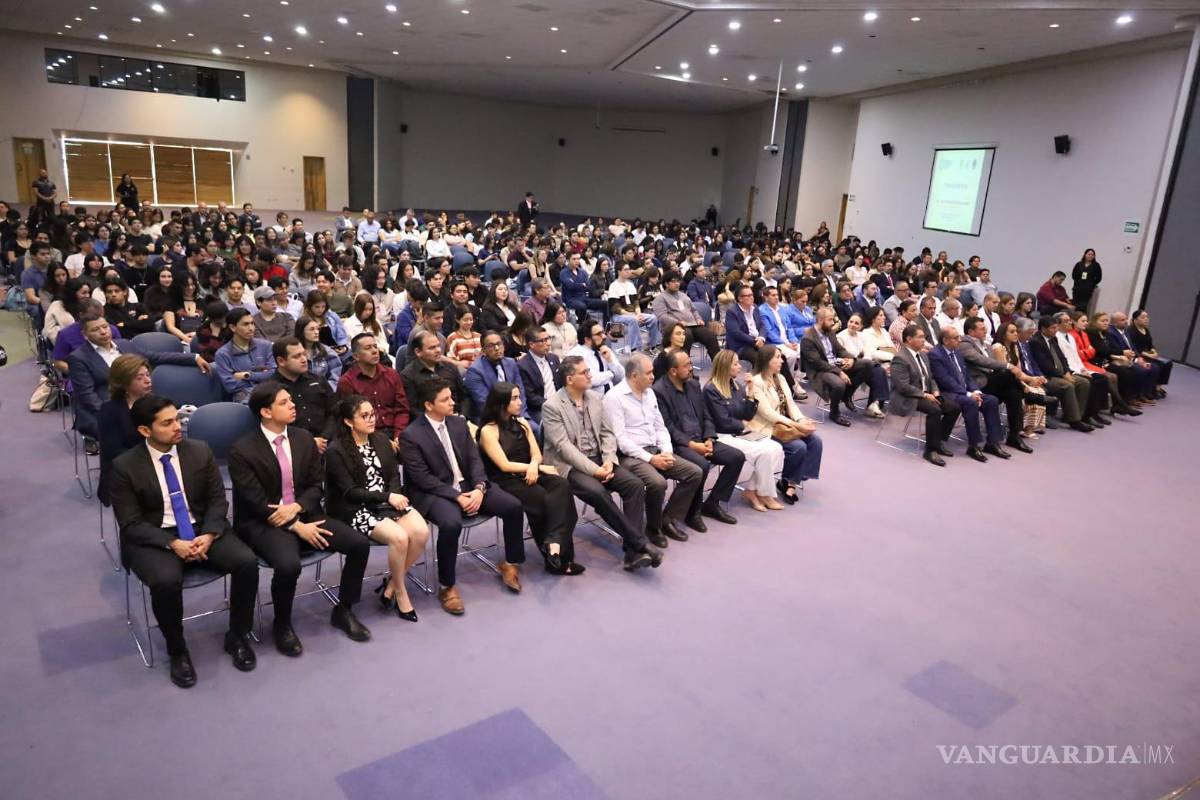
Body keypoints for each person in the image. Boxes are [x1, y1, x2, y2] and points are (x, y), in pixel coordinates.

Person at [110, 395, 260, 688]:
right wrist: (172, 543)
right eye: (167, 423)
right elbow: (131, 523)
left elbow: (218, 500)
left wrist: (209, 533)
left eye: (177, 419)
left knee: (246, 563)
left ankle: (237, 635)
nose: (178, 426)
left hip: (202, 529)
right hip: (156, 538)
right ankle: (177, 649)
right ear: (144, 431)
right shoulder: (124, 467)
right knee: (165, 582)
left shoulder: (199, 451)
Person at [227, 383, 370, 656]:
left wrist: (298, 509)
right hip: (264, 522)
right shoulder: (242, 450)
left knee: (358, 544)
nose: (293, 405)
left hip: (304, 513)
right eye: (284, 402)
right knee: (288, 564)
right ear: (266, 412)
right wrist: (296, 526)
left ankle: (344, 609)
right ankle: (282, 624)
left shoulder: (304, 437)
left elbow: (317, 485)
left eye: (291, 400)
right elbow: (254, 502)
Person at [399, 379, 527, 615]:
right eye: (445, 399)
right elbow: (422, 478)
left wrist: (479, 488)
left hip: (470, 486)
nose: (452, 402)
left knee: (513, 506)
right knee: (450, 524)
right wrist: (457, 497)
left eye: (451, 397)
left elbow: (475, 461)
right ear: (429, 405)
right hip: (436, 492)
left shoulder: (458, 423)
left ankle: (510, 562)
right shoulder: (411, 435)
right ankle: (447, 586)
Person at [541, 356, 663, 570]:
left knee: (634, 486)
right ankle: (640, 543)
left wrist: (608, 460)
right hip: (570, 466)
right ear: (570, 379)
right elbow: (564, 448)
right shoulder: (552, 406)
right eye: (585, 372)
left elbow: (607, 434)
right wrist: (596, 470)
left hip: (600, 459)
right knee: (598, 493)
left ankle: (633, 553)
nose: (590, 375)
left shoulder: (596, 398)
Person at [325, 395, 430, 622]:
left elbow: (393, 475)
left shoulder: (380, 439)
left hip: (387, 501)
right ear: (348, 422)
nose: (372, 419)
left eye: (372, 414)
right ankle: (400, 593)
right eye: (364, 416)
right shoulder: (337, 451)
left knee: (421, 532)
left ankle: (391, 584)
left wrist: (393, 498)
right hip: (356, 508)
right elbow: (350, 492)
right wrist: (388, 497)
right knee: (400, 538)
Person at [478, 383, 582, 575]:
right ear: (501, 404)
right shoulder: (488, 431)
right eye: (515, 398)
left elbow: (536, 454)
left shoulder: (523, 423)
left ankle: (553, 545)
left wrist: (535, 466)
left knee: (562, 486)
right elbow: (504, 465)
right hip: (505, 480)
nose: (520, 402)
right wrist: (537, 467)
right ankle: (560, 560)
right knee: (545, 500)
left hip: (530, 471)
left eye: (520, 397)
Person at [603, 353, 703, 544]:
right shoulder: (614, 398)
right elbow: (621, 440)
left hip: (656, 449)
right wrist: (651, 459)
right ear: (634, 376)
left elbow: (660, 426)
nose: (653, 377)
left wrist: (666, 451)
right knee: (658, 483)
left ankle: (666, 519)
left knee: (694, 472)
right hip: (629, 456)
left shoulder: (649, 393)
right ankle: (653, 529)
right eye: (648, 373)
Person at [68, 315, 209, 439]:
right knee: (140, 432)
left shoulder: (124, 344)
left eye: (105, 326)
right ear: (85, 334)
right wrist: (114, 414)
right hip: (104, 408)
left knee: (168, 424)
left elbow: (156, 356)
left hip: (139, 401)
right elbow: (87, 396)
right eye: (95, 330)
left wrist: (193, 358)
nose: (103, 332)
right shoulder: (78, 358)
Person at [653, 350, 745, 528]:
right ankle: (691, 512)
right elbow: (667, 427)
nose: (691, 368)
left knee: (736, 457)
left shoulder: (694, 385)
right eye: (686, 365)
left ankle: (712, 503)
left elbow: (706, 416)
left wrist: (709, 437)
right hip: (679, 444)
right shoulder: (659, 391)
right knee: (701, 465)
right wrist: (693, 445)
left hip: (702, 439)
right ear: (673, 371)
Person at [702, 350, 786, 511]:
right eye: (735, 363)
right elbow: (723, 422)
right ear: (725, 366)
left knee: (776, 448)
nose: (740, 367)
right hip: (722, 436)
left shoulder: (736, 385)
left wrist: (749, 392)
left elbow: (746, 415)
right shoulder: (711, 389)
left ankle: (754, 491)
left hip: (739, 432)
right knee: (764, 453)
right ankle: (764, 494)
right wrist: (743, 425)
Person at [745, 345, 823, 502]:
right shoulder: (756, 382)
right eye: (778, 357)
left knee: (815, 441)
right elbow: (767, 413)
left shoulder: (780, 378)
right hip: (766, 427)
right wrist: (796, 426)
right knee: (798, 447)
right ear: (767, 361)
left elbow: (791, 404)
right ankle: (788, 480)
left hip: (785, 424)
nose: (782, 361)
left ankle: (792, 481)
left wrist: (801, 420)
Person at [928, 327, 1010, 462]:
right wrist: (968, 394)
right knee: (970, 403)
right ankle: (974, 445)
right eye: (955, 338)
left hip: (965, 391)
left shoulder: (957, 352)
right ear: (945, 340)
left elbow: (967, 376)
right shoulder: (935, 354)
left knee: (991, 400)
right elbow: (944, 380)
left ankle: (992, 443)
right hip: (947, 392)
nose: (959, 340)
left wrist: (976, 391)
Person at [957, 316, 1035, 453]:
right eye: (982, 329)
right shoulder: (964, 343)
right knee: (1008, 374)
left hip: (993, 382)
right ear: (971, 331)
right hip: (978, 384)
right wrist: (1009, 366)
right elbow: (981, 361)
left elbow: (994, 366)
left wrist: (1006, 368)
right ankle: (1030, 395)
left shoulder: (986, 345)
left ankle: (1014, 435)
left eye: (985, 328)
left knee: (1013, 393)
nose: (985, 330)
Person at [889, 325, 962, 467]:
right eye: (920, 337)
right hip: (908, 397)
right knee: (935, 410)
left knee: (954, 407)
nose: (924, 340)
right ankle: (930, 450)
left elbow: (931, 378)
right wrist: (924, 395)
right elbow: (902, 387)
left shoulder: (923, 355)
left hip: (927, 394)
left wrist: (934, 391)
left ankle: (938, 441)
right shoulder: (900, 358)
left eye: (924, 337)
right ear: (909, 339)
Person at [801, 307, 883, 425]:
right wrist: (839, 372)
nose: (833, 323)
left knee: (868, 364)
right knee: (839, 384)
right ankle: (834, 413)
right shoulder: (808, 338)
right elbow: (818, 363)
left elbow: (840, 350)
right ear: (820, 320)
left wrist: (851, 359)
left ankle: (847, 395)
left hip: (835, 363)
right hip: (820, 370)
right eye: (830, 320)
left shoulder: (829, 331)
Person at [96, 354, 153, 506]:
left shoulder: (157, 404)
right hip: (125, 472)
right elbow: (113, 451)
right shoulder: (109, 410)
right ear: (124, 383)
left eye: (148, 375)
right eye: (139, 378)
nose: (147, 380)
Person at [337, 333, 411, 441]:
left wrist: (398, 435)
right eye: (368, 348)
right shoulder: (347, 382)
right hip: (367, 436)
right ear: (356, 356)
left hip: (397, 431)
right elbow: (352, 419)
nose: (374, 351)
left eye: (375, 346)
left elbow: (402, 409)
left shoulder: (391, 374)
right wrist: (382, 441)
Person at [1028, 315, 1095, 432]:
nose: (1056, 330)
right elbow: (1044, 365)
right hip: (1047, 376)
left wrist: (1067, 372)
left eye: (1056, 328)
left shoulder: (1053, 339)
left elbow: (1062, 358)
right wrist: (1063, 375)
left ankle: (1078, 415)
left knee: (1083, 382)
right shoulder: (1036, 342)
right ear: (1043, 329)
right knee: (1067, 385)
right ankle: (1074, 421)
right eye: (1053, 328)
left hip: (1061, 373)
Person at [271, 337, 338, 451]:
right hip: (292, 447)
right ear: (281, 361)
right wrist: (309, 442)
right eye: (297, 356)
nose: (304, 359)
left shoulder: (318, 380)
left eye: (303, 354)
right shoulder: (271, 389)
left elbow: (334, 412)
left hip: (327, 443)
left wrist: (324, 438)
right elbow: (274, 426)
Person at [464, 330, 529, 424]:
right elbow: (484, 403)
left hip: (517, 415)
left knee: (535, 430)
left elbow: (521, 393)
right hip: (491, 420)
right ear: (483, 350)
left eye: (499, 344)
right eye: (491, 346)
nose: (497, 348)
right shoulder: (475, 371)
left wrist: (520, 416)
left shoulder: (511, 363)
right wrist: (508, 418)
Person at [651, 270, 720, 359]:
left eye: (678, 281)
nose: (677, 284)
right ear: (666, 284)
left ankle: (720, 367)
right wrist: (678, 323)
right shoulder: (660, 298)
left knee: (710, 336)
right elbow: (662, 317)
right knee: (686, 336)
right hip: (674, 328)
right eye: (673, 281)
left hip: (692, 324)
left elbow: (693, 310)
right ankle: (686, 369)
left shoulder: (683, 295)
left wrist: (698, 319)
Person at [401, 330, 470, 417]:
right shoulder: (408, 376)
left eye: (438, 346)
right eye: (432, 348)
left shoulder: (450, 367)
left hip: (457, 418)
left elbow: (464, 397)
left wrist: (462, 416)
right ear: (418, 352)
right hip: (429, 425)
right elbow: (413, 409)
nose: (438, 350)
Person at [213, 308, 276, 402]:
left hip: (270, 394)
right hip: (243, 399)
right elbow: (230, 386)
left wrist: (248, 375)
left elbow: (274, 374)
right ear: (232, 327)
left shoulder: (266, 346)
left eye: (252, 323)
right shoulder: (222, 354)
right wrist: (262, 376)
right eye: (245, 324)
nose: (251, 328)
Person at [516, 326, 562, 424]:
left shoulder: (554, 358)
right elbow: (530, 396)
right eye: (542, 341)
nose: (548, 343)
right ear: (531, 344)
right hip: (539, 408)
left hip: (560, 403)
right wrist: (552, 404)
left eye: (548, 338)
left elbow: (561, 384)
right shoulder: (523, 366)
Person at [1125, 309, 1171, 395]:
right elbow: (1133, 348)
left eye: (1147, 317)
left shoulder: (1146, 330)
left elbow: (1150, 345)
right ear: (1135, 320)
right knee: (1158, 365)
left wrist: (1154, 352)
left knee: (1168, 363)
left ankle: (1158, 386)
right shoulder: (1130, 331)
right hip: (1139, 355)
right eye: (1143, 317)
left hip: (1148, 354)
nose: (1146, 319)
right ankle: (1150, 389)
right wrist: (1148, 355)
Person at [295, 315, 342, 389]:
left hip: (324, 392)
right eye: (312, 329)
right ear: (301, 332)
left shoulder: (327, 351)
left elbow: (335, 378)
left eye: (317, 329)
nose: (316, 332)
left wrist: (326, 390)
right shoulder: (293, 352)